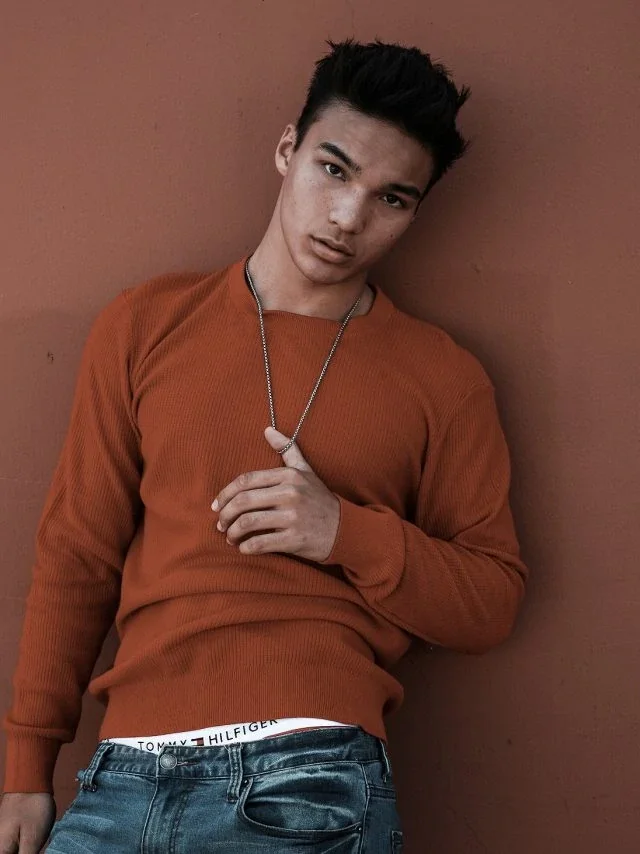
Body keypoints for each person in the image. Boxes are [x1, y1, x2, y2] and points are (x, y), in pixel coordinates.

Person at [0, 38, 527, 853]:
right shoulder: (145, 324)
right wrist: (26, 767)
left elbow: (491, 598)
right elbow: (78, 550)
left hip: (309, 774)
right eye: (334, 170)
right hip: (122, 778)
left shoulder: (443, 377)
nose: (348, 218)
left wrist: (341, 531)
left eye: (392, 199)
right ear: (287, 149)